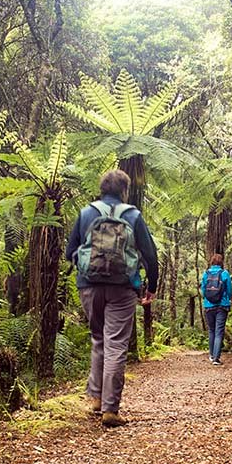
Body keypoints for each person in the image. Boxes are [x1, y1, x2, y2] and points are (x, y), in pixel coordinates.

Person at [65, 169, 159, 427]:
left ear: (102, 188)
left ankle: (95, 398)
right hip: (122, 287)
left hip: (89, 285)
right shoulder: (133, 215)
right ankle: (110, 409)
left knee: (98, 339)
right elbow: (149, 254)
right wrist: (151, 284)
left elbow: (69, 252)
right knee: (116, 344)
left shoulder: (86, 213)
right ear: (124, 191)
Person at [200, 253, 232, 365]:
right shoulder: (225, 273)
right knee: (219, 331)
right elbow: (229, 290)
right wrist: (230, 299)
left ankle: (211, 355)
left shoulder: (206, 274)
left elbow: (203, 290)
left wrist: (207, 299)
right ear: (221, 262)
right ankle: (216, 359)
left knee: (211, 330)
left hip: (208, 306)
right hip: (222, 305)